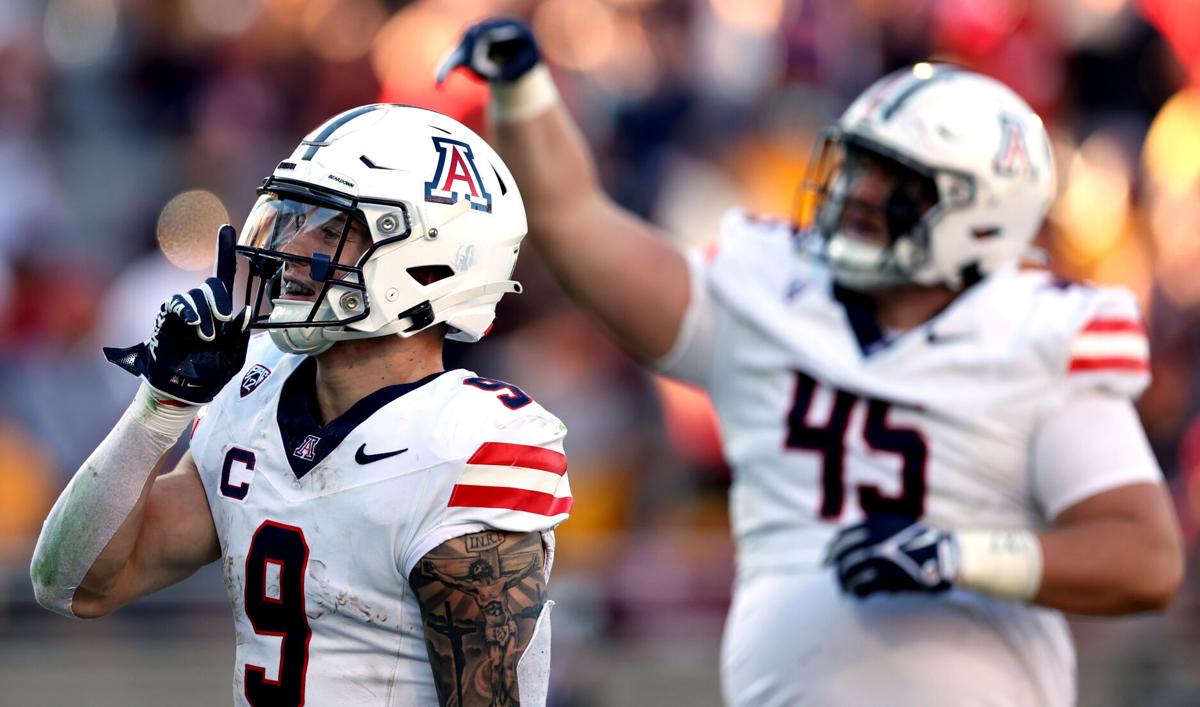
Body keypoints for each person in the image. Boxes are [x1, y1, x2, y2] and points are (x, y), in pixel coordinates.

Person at [437, 20, 1185, 707]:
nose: (856, 194)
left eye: (894, 183)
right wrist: (524, 86)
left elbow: (1144, 559)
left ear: (981, 215)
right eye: (857, 166)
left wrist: (959, 556)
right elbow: (578, 222)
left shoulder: (1037, 331)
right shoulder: (774, 290)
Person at [30, 104, 573, 707]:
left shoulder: (467, 441)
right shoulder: (255, 393)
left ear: (429, 259)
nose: (292, 245)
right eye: (294, 217)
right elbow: (74, 584)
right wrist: (159, 410)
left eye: (335, 226)